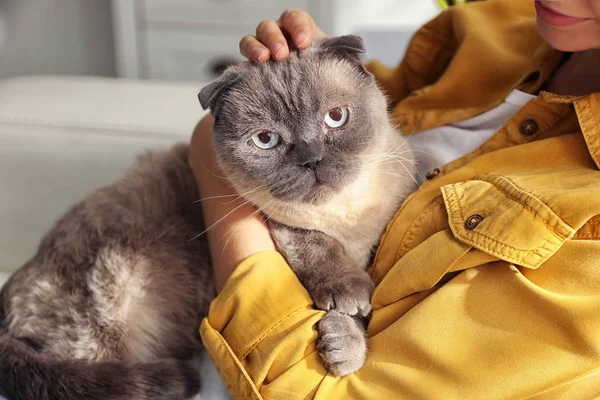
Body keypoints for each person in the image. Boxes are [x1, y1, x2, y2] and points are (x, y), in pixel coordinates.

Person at [189, 0, 600, 398]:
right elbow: (381, 97)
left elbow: (326, 392)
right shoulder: (487, 26)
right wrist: (315, 61)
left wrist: (216, 176)